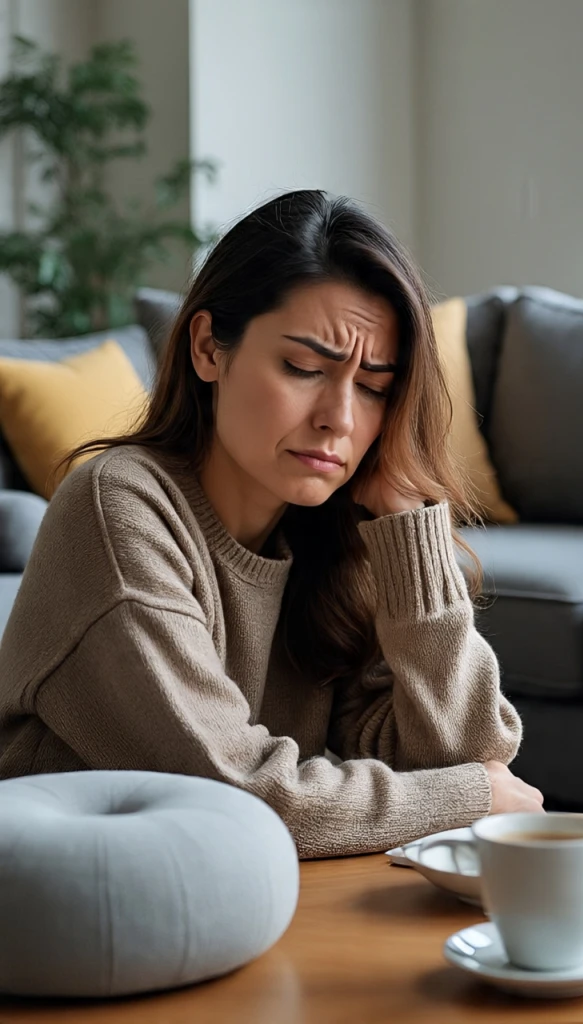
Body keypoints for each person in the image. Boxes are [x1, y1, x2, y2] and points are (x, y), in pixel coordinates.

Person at [0, 189, 543, 857]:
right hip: (81, 914)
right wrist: (467, 797)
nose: (340, 419)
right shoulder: (119, 508)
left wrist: (410, 531)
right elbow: (233, 796)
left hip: (254, 900)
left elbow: (466, 755)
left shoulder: (331, 535)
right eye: (304, 367)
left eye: (374, 386)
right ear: (208, 349)